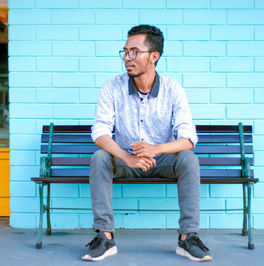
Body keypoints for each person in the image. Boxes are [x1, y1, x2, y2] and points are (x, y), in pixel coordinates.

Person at [83, 25, 212, 262]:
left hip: (160, 160)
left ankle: (187, 238)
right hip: (124, 160)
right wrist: (127, 157)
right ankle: (105, 236)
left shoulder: (173, 90)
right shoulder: (113, 86)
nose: (127, 58)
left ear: (154, 56)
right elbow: (100, 132)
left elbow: (188, 138)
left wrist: (156, 149)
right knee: (99, 157)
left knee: (188, 159)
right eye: (124, 51)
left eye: (134, 52)